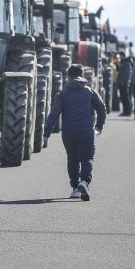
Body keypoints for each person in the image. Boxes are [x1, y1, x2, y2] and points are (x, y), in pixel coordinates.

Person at [44, 64, 106, 201]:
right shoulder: (90, 92)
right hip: (86, 131)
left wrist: (47, 133)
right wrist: (99, 125)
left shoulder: (62, 94)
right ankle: (84, 182)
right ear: (82, 75)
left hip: (68, 133)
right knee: (87, 158)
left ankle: (75, 188)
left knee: (72, 159)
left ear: (68, 76)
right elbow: (101, 108)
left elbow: (54, 115)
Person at [117, 51, 132, 116]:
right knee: (123, 98)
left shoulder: (126, 63)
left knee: (125, 98)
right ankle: (125, 111)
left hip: (124, 83)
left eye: (120, 56)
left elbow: (126, 74)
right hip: (122, 83)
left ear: (123, 56)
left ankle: (128, 111)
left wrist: (124, 82)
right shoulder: (124, 62)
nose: (120, 57)